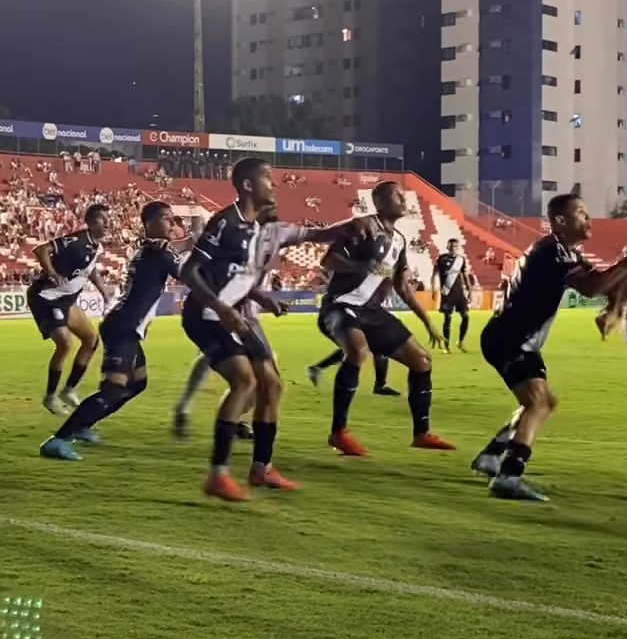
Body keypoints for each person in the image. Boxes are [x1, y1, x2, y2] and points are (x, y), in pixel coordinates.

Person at [179, 157, 331, 502]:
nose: (273, 184)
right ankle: (217, 475)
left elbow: (236, 277)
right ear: (247, 185)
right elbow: (189, 272)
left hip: (236, 314)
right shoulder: (225, 223)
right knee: (245, 381)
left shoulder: (258, 231)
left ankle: (262, 469)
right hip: (205, 315)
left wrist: (261, 298)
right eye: (267, 178)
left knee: (273, 385)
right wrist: (221, 308)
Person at [473, 194, 627, 502]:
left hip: (516, 339)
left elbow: (604, 283)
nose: (589, 219)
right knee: (539, 404)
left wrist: (615, 303)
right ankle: (509, 476)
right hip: (509, 338)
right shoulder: (553, 253)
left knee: (544, 402)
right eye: (581, 214)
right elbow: (592, 287)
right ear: (560, 221)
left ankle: (492, 455)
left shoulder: (563, 251)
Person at [40, 200, 185, 461]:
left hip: (126, 327)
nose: (172, 224)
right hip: (123, 329)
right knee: (114, 389)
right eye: (167, 218)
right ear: (150, 223)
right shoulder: (160, 253)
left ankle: (82, 424)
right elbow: (191, 274)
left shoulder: (150, 250)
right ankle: (60, 438)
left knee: (138, 383)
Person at [319, 180, 453, 458]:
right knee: (358, 351)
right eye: (396, 195)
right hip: (340, 305)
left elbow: (403, 286)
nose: (403, 200)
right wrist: (359, 265)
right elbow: (328, 261)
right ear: (379, 202)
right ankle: (339, 431)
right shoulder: (364, 228)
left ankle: (422, 434)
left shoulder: (400, 240)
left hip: (371, 311)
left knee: (422, 361)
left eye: (404, 195)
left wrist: (427, 321)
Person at [28, 204, 114, 414]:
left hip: (66, 300)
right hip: (47, 298)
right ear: (91, 223)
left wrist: (103, 289)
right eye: (104, 220)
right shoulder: (77, 241)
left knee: (91, 340)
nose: (109, 223)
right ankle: (50, 397)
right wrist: (51, 272)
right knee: (66, 344)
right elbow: (42, 249)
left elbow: (89, 268)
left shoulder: (95, 246)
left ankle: (69, 390)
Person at [432, 238, 475, 352]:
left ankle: (460, 342)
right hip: (447, 294)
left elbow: (465, 277)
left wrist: (470, 292)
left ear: (458, 247)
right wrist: (434, 289)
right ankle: (446, 346)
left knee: (466, 317)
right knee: (448, 319)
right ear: (447, 247)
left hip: (459, 294)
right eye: (451, 246)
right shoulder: (441, 259)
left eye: (455, 246)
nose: (453, 248)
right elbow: (434, 274)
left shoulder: (461, 260)